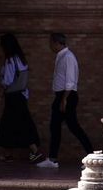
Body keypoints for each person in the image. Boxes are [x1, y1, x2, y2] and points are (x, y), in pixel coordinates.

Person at [39, 32, 93, 168]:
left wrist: (64, 99)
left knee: (73, 127)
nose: (50, 46)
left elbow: (70, 80)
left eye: (51, 43)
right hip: (62, 96)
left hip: (67, 96)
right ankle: (52, 159)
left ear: (57, 43)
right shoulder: (61, 56)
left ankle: (91, 156)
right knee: (55, 127)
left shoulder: (68, 57)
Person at [0, 32, 43, 163]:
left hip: (13, 96)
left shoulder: (10, 60)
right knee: (13, 124)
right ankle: (9, 153)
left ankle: (34, 151)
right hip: (21, 95)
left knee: (17, 123)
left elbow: (7, 81)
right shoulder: (21, 59)